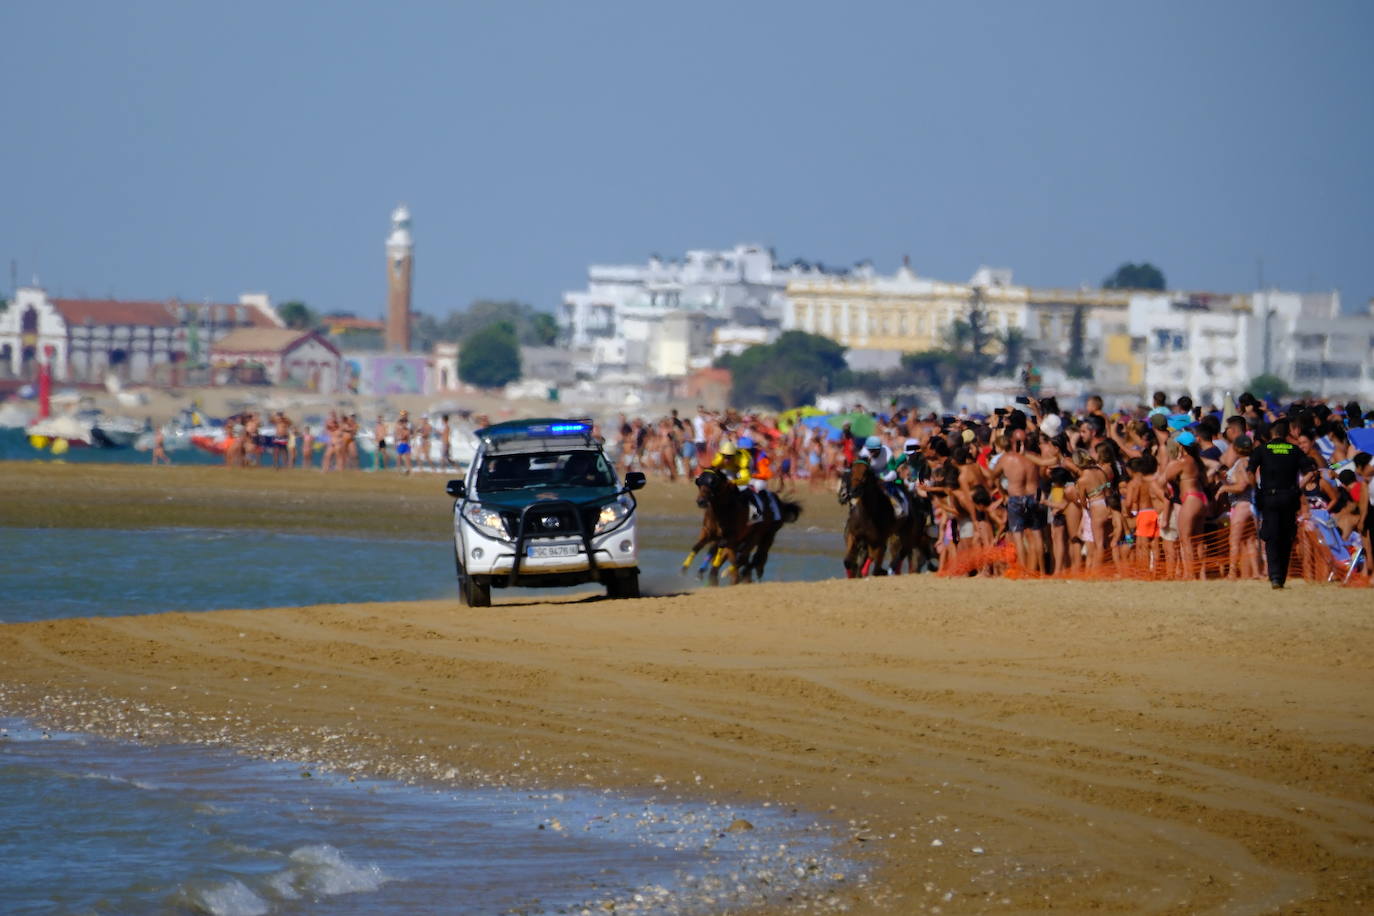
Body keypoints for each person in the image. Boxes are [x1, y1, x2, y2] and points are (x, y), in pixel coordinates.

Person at [1247, 419, 1312, 589]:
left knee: (1271, 536)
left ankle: (1275, 576)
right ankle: (1281, 576)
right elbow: (1310, 473)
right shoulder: (1295, 450)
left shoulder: (1262, 450)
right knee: (1286, 536)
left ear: (1271, 434)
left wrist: (1257, 489)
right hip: (1289, 497)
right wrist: (1298, 488)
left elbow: (1250, 473)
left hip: (1269, 497)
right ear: (1285, 434)